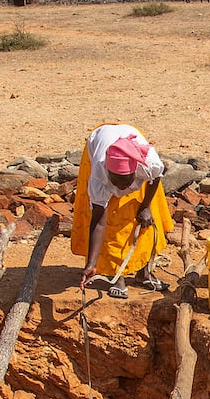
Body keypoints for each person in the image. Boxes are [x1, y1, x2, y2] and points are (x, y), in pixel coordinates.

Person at [71, 122, 173, 299]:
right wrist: (91, 263)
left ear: (135, 171)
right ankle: (116, 277)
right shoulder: (98, 175)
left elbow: (154, 179)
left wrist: (146, 206)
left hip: (133, 145)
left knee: (145, 220)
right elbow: (99, 223)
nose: (121, 188)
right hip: (99, 140)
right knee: (113, 222)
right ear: (108, 173)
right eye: (116, 182)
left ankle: (144, 273)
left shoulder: (149, 162)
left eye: (126, 182)